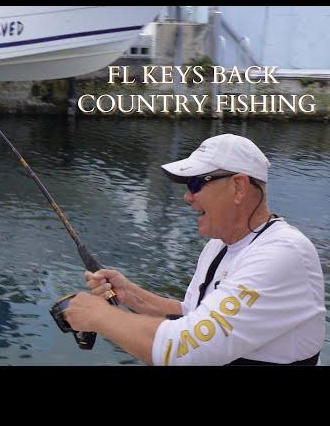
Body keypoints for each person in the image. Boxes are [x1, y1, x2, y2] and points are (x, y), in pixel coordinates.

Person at [63, 133, 326, 365]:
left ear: (238, 187)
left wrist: (98, 316)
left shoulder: (283, 254)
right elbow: (193, 315)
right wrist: (130, 295)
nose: (187, 196)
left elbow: (184, 350)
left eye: (196, 184)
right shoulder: (219, 245)